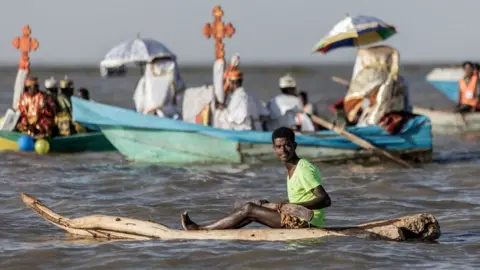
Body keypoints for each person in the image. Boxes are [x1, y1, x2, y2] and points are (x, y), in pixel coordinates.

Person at [181, 127, 331, 230]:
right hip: (297, 218)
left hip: (306, 222)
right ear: (274, 149)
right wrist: (280, 206)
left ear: (295, 145)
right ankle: (215, 231)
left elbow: (325, 200)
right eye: (279, 147)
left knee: (249, 209)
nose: (283, 150)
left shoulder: (303, 169)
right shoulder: (291, 167)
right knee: (253, 208)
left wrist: (292, 206)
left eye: (287, 145)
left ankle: (201, 229)